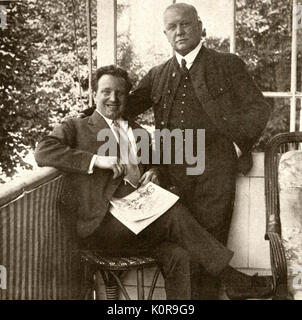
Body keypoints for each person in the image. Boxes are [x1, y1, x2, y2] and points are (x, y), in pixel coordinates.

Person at [35, 65, 272, 300]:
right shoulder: (76, 126)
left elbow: (152, 164)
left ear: (127, 97)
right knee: (172, 213)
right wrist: (97, 160)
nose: (113, 98)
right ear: (94, 94)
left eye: (120, 93)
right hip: (101, 228)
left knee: (181, 255)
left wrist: (155, 172)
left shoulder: (139, 132)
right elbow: (44, 151)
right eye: (106, 91)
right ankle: (232, 279)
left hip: (138, 227)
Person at [122, 3, 272, 299]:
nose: (179, 31)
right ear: (165, 33)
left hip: (214, 170)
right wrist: (80, 121)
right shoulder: (157, 74)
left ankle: (223, 286)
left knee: (210, 238)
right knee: (183, 252)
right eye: (172, 27)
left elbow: (259, 108)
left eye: (185, 24)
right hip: (172, 171)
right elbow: (123, 107)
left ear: (200, 25)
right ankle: (233, 282)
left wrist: (234, 143)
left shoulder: (227, 64)